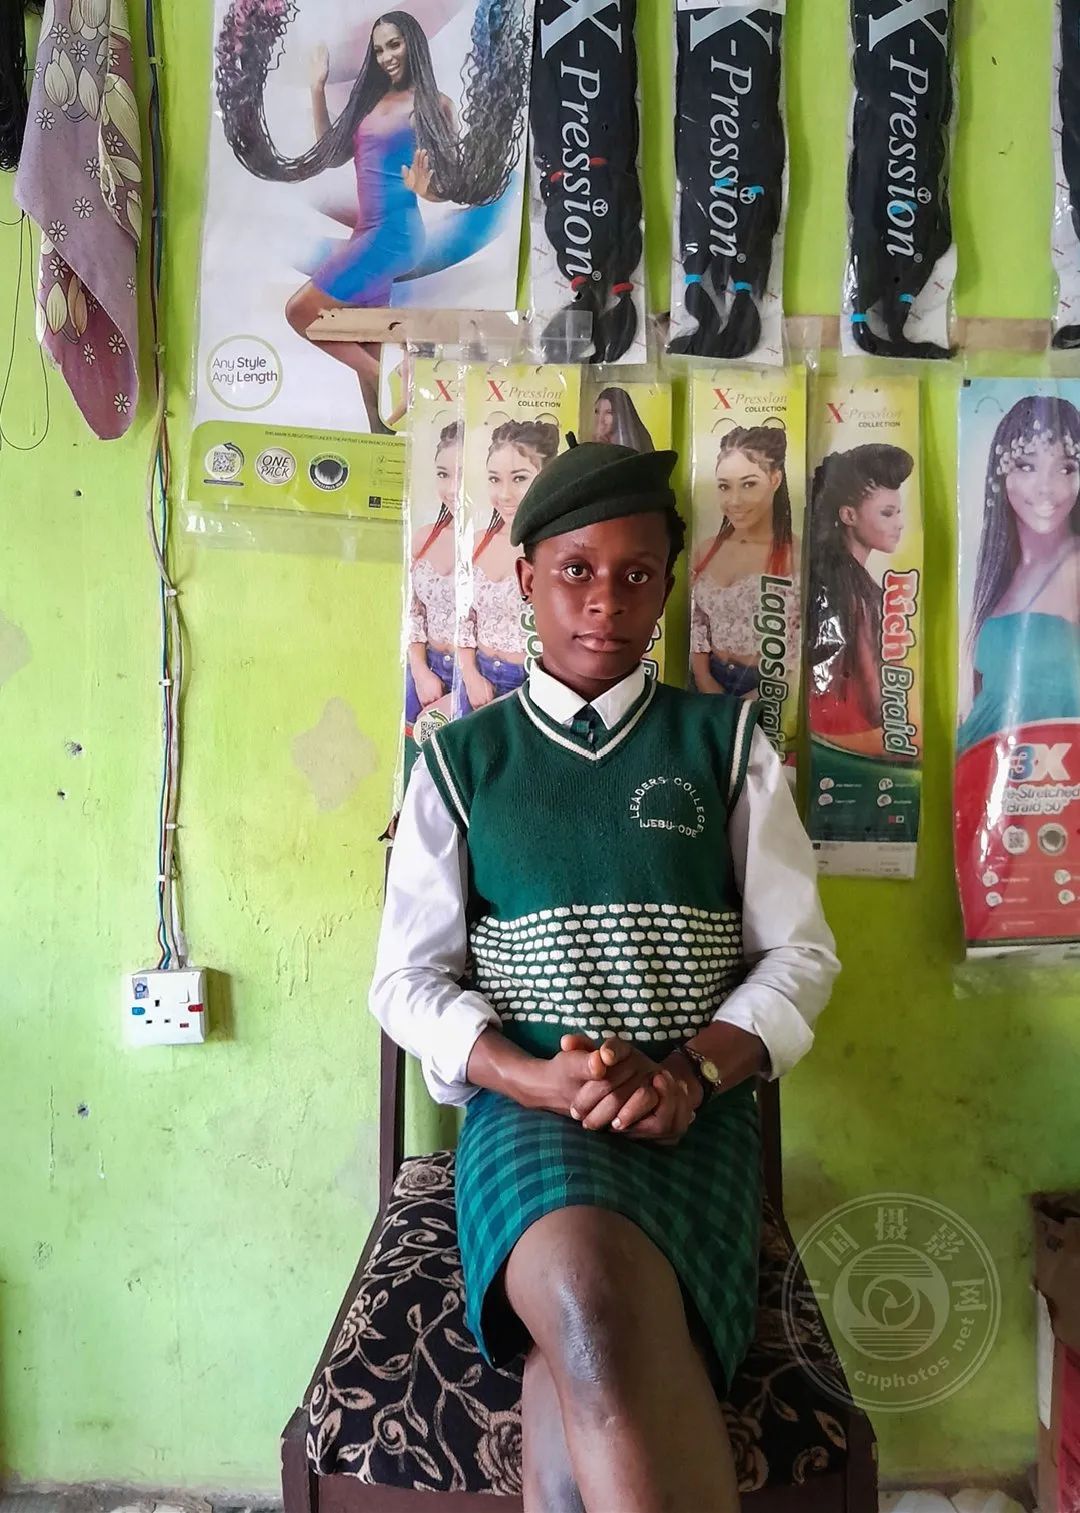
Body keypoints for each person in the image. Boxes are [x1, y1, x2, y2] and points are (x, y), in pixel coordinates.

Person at [371, 439, 838, 1513]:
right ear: (524, 575)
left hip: (690, 1117)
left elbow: (800, 953)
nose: (605, 600)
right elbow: (405, 981)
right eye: (576, 569)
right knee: (582, 1290)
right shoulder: (461, 761)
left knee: (575, 1359)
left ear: (667, 586)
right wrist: (531, 1077)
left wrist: (689, 1076)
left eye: (636, 574)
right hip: (526, 1112)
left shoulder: (724, 745)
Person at [217, 6, 528, 434]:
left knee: (300, 311)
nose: (387, 56)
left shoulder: (433, 106)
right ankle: (383, 440)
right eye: (379, 49)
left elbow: (448, 182)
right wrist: (317, 88)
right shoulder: (371, 104)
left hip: (394, 236)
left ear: (413, 45)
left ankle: (399, 380)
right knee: (364, 341)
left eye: (394, 45)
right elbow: (333, 153)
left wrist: (426, 190)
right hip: (371, 234)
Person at [958, 395, 1080, 752]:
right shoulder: (993, 576)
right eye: (1026, 465)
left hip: (1056, 768)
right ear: (1001, 475)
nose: (1046, 487)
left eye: (1066, 468)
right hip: (981, 764)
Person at [806, 443, 914, 758]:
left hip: (822, 731)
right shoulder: (858, 594)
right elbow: (873, 700)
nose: (899, 523)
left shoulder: (827, 579)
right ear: (849, 515)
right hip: (851, 736)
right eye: (887, 513)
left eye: (899, 512)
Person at [456, 419, 559, 712]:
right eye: (494, 479)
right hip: (475, 680)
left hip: (534, 685)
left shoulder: (559, 548)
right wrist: (470, 675)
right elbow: (463, 619)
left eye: (519, 478)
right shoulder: (475, 543)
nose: (504, 494)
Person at [691, 425, 798, 699]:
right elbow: (698, 623)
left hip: (767, 686)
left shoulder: (795, 556)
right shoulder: (707, 549)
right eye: (725, 486)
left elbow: (798, 644)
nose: (735, 501)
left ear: (774, 479)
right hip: (706, 678)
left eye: (749, 484)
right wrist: (704, 679)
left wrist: (758, 698)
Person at [405, 421, 462, 733]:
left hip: (485, 679)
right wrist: (419, 670)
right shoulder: (423, 537)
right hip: (423, 668)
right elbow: (413, 612)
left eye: (462, 475)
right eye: (443, 474)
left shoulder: (506, 543)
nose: (452, 488)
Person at [591, 386, 655, 453]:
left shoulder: (630, 441)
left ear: (621, 414)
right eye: (597, 411)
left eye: (609, 412)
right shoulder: (597, 440)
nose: (600, 419)